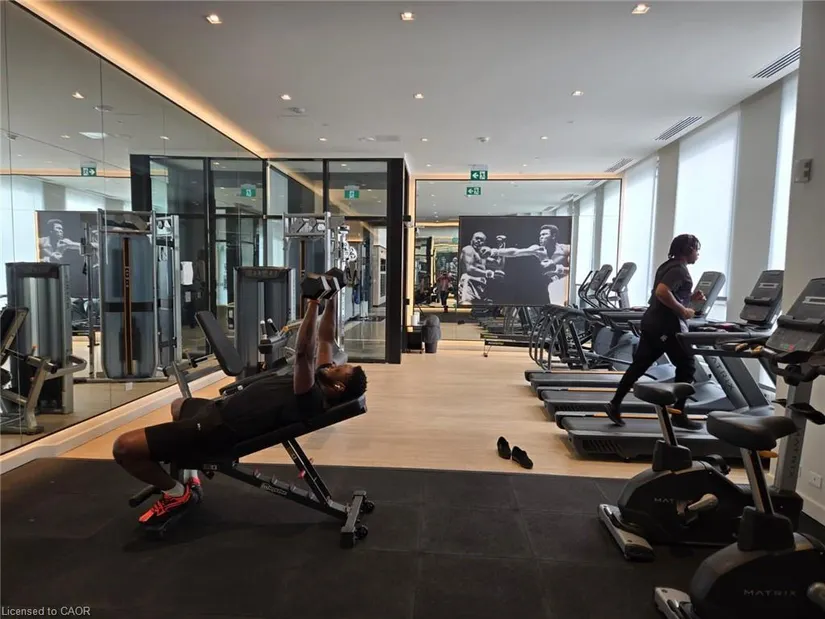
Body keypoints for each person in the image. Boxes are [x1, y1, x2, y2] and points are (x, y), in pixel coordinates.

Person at [112, 294, 368, 525]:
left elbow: (304, 352)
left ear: (337, 387)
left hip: (217, 430)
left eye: (337, 368)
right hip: (217, 412)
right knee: (179, 406)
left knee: (124, 447)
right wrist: (332, 296)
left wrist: (313, 303)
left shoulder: (311, 396)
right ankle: (189, 475)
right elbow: (326, 338)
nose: (332, 364)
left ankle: (178, 494)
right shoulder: (322, 379)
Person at [604, 234, 705, 429]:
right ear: (688, 250)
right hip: (666, 326)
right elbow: (661, 292)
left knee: (639, 365)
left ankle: (615, 403)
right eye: (696, 249)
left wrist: (689, 298)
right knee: (687, 366)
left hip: (653, 322)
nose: (698, 254)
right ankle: (679, 413)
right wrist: (684, 310)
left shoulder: (667, 266)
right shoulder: (679, 269)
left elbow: (668, 293)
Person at [483, 224, 571, 303]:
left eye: (544, 234)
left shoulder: (566, 249)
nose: (541, 237)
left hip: (567, 284)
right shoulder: (539, 250)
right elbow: (516, 252)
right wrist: (494, 251)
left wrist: (558, 268)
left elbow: (576, 272)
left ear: (553, 236)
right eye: (540, 235)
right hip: (552, 285)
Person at [458, 231, 504, 304]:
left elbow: (499, 265)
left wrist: (501, 246)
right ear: (471, 240)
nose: (479, 241)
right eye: (477, 238)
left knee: (478, 308)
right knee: (466, 305)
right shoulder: (468, 249)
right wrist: (490, 274)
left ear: (484, 244)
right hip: (469, 282)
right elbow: (469, 269)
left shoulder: (482, 256)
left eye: (481, 240)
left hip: (481, 285)